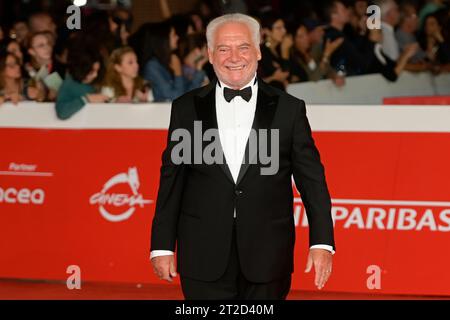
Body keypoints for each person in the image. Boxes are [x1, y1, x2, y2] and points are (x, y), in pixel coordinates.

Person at [150, 13, 335, 300]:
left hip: (268, 254)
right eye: (223, 48)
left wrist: (322, 242)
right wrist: (161, 246)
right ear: (210, 55)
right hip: (202, 252)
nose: (233, 57)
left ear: (259, 51)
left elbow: (312, 182)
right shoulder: (185, 108)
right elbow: (172, 179)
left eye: (243, 47)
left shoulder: (289, 109)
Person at [142, 21, 206, 101]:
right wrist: (178, 73)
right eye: (173, 35)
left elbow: (187, 93)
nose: (177, 37)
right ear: (164, 40)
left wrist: (199, 68)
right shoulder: (152, 66)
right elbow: (175, 97)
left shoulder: (170, 60)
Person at [55, 42, 108, 120]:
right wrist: (86, 99)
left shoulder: (93, 83)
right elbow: (62, 112)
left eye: (97, 71)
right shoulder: (69, 85)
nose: (95, 75)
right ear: (83, 69)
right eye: (92, 71)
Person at [258, 14, 291, 90]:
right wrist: (285, 51)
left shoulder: (279, 48)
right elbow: (284, 74)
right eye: (279, 28)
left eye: (284, 27)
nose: (284, 31)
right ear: (267, 31)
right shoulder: (262, 51)